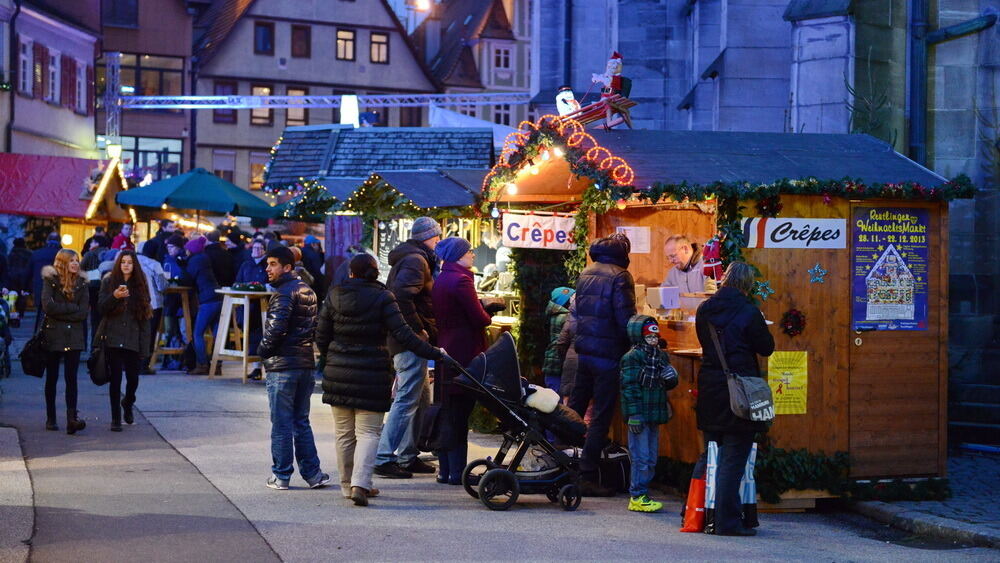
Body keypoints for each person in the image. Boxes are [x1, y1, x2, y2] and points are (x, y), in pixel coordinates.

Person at [316, 254, 445, 505]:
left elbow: (321, 336)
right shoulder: (384, 297)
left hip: (338, 374)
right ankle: (361, 484)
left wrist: (331, 358)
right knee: (368, 432)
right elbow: (404, 334)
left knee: (344, 433)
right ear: (375, 273)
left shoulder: (334, 295)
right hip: (372, 374)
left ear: (351, 273)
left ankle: (347, 486)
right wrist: (434, 353)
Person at [694, 261, 774, 536]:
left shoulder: (704, 309)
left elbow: (705, 343)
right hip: (739, 391)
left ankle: (698, 514)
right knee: (733, 458)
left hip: (710, 387)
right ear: (748, 284)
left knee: (710, 454)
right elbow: (767, 347)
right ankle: (727, 521)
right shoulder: (749, 311)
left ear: (726, 279)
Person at [374, 216, 442, 479]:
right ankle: (383, 457)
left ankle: (407, 454)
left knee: (420, 398)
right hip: (409, 341)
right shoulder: (416, 260)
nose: (438, 241)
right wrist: (418, 329)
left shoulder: (413, 257)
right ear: (429, 237)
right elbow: (402, 297)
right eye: (436, 236)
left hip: (408, 339)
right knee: (406, 399)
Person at [569, 233, 636, 496]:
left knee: (574, 410)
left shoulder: (586, 272)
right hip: (609, 355)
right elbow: (625, 319)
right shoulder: (620, 276)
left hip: (585, 350)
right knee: (601, 415)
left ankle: (563, 463)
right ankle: (587, 473)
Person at [258, 246, 330, 491]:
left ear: (287, 267)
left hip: (284, 366)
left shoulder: (283, 293)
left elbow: (275, 331)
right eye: (267, 264)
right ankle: (313, 474)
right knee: (301, 421)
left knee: (282, 423)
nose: (268, 269)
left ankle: (281, 475)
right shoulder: (307, 290)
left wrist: (262, 351)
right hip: (304, 363)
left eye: (273, 264)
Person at [430, 237, 493, 485]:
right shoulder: (462, 280)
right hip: (464, 349)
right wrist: (487, 309)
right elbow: (480, 319)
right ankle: (458, 472)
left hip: (446, 348)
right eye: (469, 251)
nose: (473, 254)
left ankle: (446, 470)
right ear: (458, 255)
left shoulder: (442, 278)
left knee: (449, 411)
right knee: (460, 412)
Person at [620, 314, 678, 513]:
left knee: (651, 457)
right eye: (649, 337)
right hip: (639, 414)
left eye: (655, 336)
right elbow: (629, 388)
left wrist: (672, 378)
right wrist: (634, 415)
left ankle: (643, 492)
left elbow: (666, 383)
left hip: (654, 412)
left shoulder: (660, 356)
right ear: (639, 336)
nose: (653, 340)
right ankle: (637, 495)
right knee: (641, 456)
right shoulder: (631, 357)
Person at [97, 251, 153, 432]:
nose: (126, 265)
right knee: (115, 379)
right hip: (113, 337)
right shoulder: (108, 281)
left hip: (132, 338)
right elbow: (101, 308)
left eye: (129, 262)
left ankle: (128, 402)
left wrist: (145, 347)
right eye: (123, 262)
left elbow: (145, 317)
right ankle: (115, 418)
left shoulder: (140, 284)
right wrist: (114, 296)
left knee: (133, 379)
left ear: (134, 265)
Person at [40, 250, 89, 434]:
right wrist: (71, 308)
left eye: (77, 260)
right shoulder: (50, 280)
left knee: (72, 379)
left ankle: (71, 419)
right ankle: (51, 417)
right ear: (62, 262)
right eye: (71, 261)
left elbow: (83, 312)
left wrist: (62, 313)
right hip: (53, 335)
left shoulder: (82, 283)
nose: (75, 263)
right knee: (51, 377)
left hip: (74, 336)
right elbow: (48, 306)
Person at [179, 236, 221, 375]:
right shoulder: (204, 258)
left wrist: (182, 266)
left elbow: (187, 280)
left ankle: (202, 364)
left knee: (197, 333)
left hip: (207, 300)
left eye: (187, 249)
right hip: (217, 297)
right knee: (216, 334)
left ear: (191, 250)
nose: (186, 252)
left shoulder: (195, 261)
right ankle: (217, 365)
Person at [235, 239, 268, 380]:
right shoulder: (246, 264)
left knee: (259, 337)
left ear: (264, 251)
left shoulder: (267, 265)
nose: (256, 250)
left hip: (261, 306)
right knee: (249, 336)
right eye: (254, 247)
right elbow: (238, 281)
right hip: (246, 305)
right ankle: (255, 368)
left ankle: (258, 368)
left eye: (259, 248)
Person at [136, 252, 169, 374]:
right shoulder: (155, 264)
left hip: (134, 303)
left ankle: (129, 364)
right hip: (153, 304)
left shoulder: (129, 262)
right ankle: (144, 365)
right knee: (149, 334)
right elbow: (161, 286)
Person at [542, 287, 575, 394]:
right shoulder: (566, 317)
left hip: (551, 361)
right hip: (557, 362)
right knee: (557, 397)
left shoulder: (555, 315)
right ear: (565, 302)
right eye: (572, 298)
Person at [30, 233, 63, 325]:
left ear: (47, 240)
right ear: (59, 241)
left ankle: (40, 330)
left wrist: (26, 288)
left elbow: (29, 272)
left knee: (40, 312)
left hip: (39, 286)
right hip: (56, 287)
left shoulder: (36, 254)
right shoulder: (62, 254)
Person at [7, 238, 32, 321]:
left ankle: (12, 313)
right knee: (22, 295)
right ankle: (21, 313)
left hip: (12, 277)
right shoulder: (28, 254)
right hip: (24, 277)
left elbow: (8, 265)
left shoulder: (11, 253)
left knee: (12, 295)